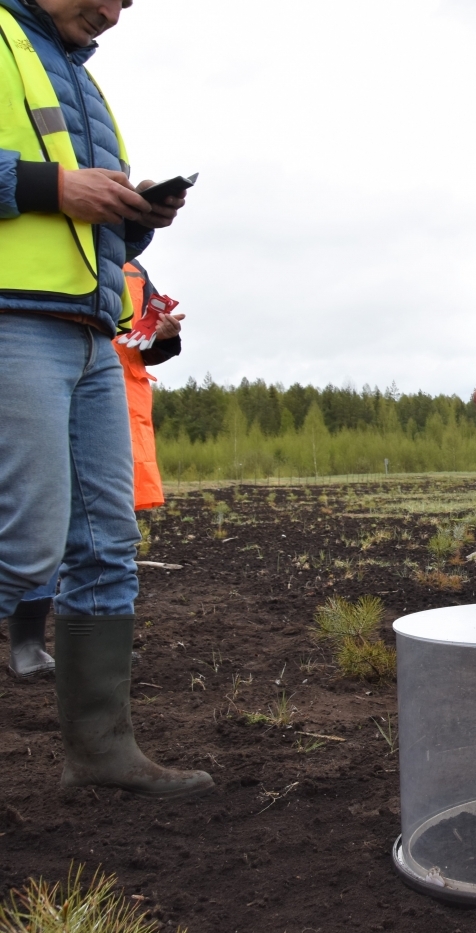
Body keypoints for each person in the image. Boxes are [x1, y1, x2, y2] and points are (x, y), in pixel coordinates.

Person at [0, 0, 212, 796]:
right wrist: (53, 186)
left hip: (92, 331)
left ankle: (99, 753)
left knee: (105, 546)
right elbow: (50, 196)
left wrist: (137, 217)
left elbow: (91, 231)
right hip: (13, 318)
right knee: (24, 544)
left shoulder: (85, 85)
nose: (117, 10)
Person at [5, 259, 183, 678]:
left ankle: (91, 654)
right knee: (37, 527)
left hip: (112, 400)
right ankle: (27, 645)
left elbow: (144, 343)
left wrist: (164, 335)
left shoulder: (131, 266)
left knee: (106, 532)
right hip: (38, 386)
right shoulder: (40, 234)